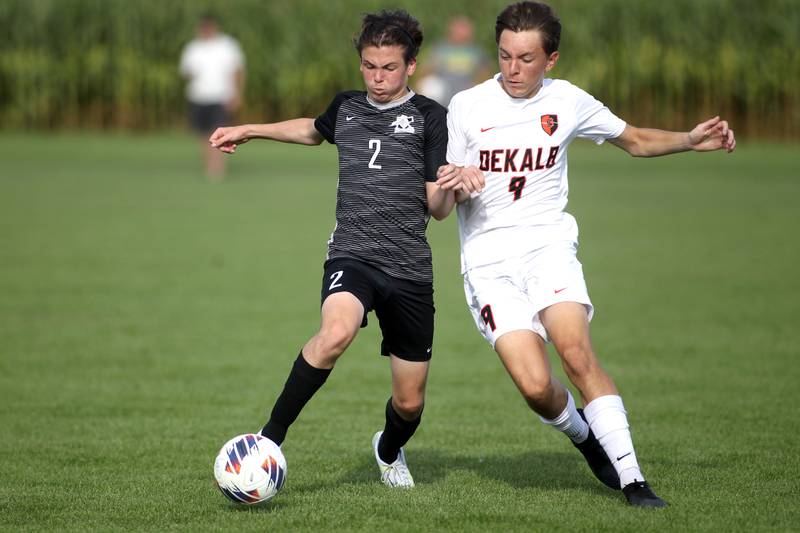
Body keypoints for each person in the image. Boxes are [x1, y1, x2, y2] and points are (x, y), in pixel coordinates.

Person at [437, 1, 735, 508]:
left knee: (575, 351)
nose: (513, 68)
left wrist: (689, 139)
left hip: (548, 247)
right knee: (535, 387)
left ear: (550, 59)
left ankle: (633, 480)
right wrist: (457, 183)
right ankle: (582, 435)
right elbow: (442, 202)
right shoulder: (466, 106)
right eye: (506, 55)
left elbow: (635, 139)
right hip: (487, 263)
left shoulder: (568, 101)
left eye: (526, 58)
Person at [209, 10, 454, 488]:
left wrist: (452, 185)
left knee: (409, 403)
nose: (377, 77)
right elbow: (311, 130)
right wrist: (249, 129)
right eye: (368, 65)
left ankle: (387, 449)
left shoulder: (430, 117)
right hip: (352, 255)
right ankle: (267, 441)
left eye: (388, 67)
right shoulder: (346, 107)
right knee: (335, 332)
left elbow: (439, 209)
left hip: (409, 270)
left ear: (410, 66)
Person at [179, 14, 245, 179]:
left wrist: (237, 94)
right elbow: (185, 72)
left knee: (219, 131)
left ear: (214, 27)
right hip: (198, 97)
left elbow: (238, 71)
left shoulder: (227, 46)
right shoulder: (193, 48)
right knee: (202, 134)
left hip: (221, 97)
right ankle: (209, 164)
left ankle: (217, 168)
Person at [416, 16, 490, 106]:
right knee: (429, 85)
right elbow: (425, 70)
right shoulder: (440, 49)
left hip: (466, 90)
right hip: (443, 90)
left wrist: (476, 87)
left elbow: (485, 74)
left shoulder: (476, 52)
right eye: (459, 28)